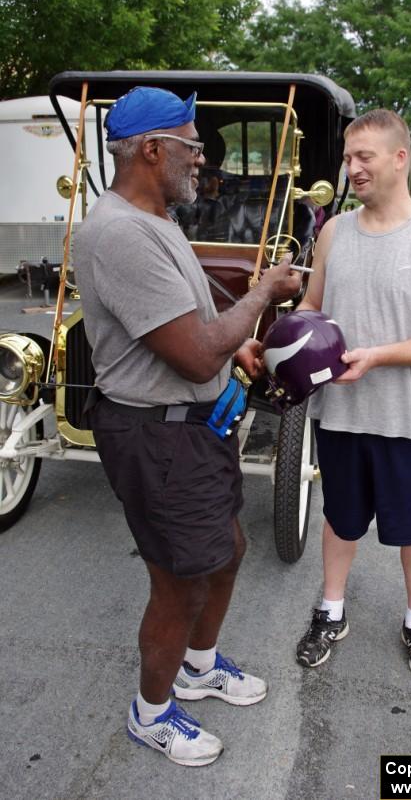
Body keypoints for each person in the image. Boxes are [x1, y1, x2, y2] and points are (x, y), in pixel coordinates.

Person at [73, 85, 301, 766]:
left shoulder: (158, 218)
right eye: (192, 146)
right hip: (157, 436)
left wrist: (237, 344)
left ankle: (199, 668)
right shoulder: (117, 232)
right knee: (180, 581)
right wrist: (261, 295)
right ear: (151, 150)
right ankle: (151, 714)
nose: (203, 159)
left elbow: (195, 324)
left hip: (191, 429)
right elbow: (191, 349)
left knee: (224, 551)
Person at [295, 109, 411, 680]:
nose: (352, 169)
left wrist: (377, 356)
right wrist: (285, 344)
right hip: (341, 414)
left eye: (363, 157)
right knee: (340, 519)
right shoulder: (332, 232)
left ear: (401, 159)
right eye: (349, 159)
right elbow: (311, 309)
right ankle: (331, 611)